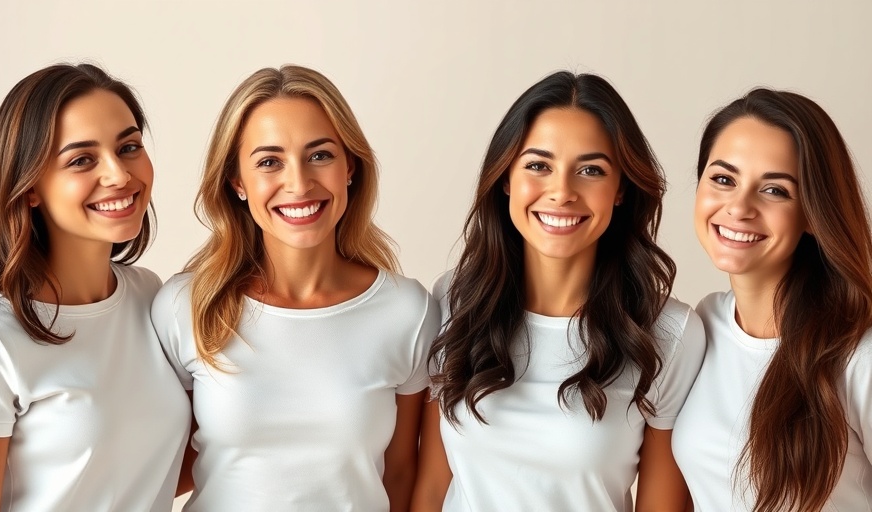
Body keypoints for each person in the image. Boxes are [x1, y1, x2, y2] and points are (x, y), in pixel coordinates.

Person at [411, 71, 706, 511]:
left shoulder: (668, 332)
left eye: (591, 170)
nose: (562, 192)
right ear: (506, 178)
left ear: (620, 188)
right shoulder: (456, 299)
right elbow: (433, 487)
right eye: (538, 166)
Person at [151, 65, 440, 511]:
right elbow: (157, 464)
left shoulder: (407, 311)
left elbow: (400, 474)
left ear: (350, 168)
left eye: (320, 155)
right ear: (237, 183)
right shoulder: (187, 306)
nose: (299, 183)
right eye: (269, 162)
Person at [0, 63, 190, 511]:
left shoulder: (152, 297)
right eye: (81, 159)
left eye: (128, 147)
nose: (118, 174)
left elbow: (158, 462)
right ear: (30, 185)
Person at [672, 89, 872, 511]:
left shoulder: (859, 354)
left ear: (815, 214)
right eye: (723, 179)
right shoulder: (704, 324)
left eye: (775, 191)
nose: (739, 207)